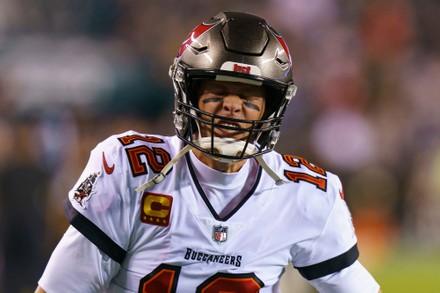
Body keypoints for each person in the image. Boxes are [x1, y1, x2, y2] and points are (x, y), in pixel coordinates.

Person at [35, 11, 381, 292]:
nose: (232, 107)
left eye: (248, 98)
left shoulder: (304, 194)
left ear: (271, 108)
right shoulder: (132, 168)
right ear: (189, 94)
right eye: (218, 92)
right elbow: (63, 286)